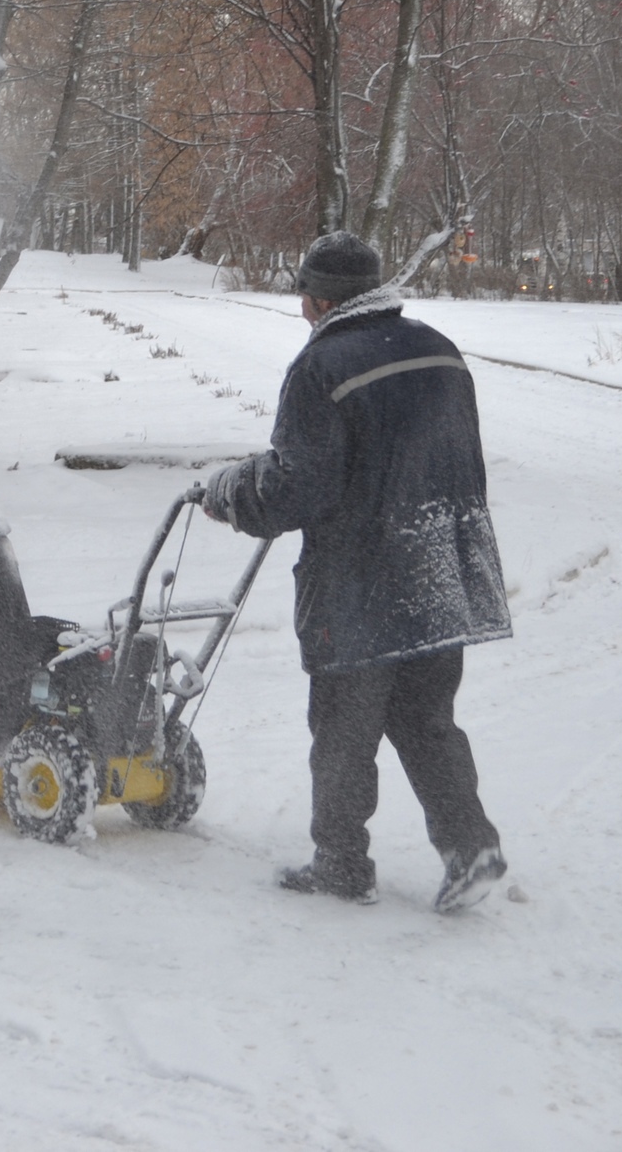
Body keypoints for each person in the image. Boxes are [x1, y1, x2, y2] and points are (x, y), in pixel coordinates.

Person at [200, 231, 512, 914]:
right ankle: (472, 847)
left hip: (361, 580)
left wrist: (229, 492)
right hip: (441, 561)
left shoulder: (321, 367)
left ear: (316, 298)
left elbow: (296, 489)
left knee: (344, 724)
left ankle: (340, 863)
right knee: (427, 716)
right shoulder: (438, 349)